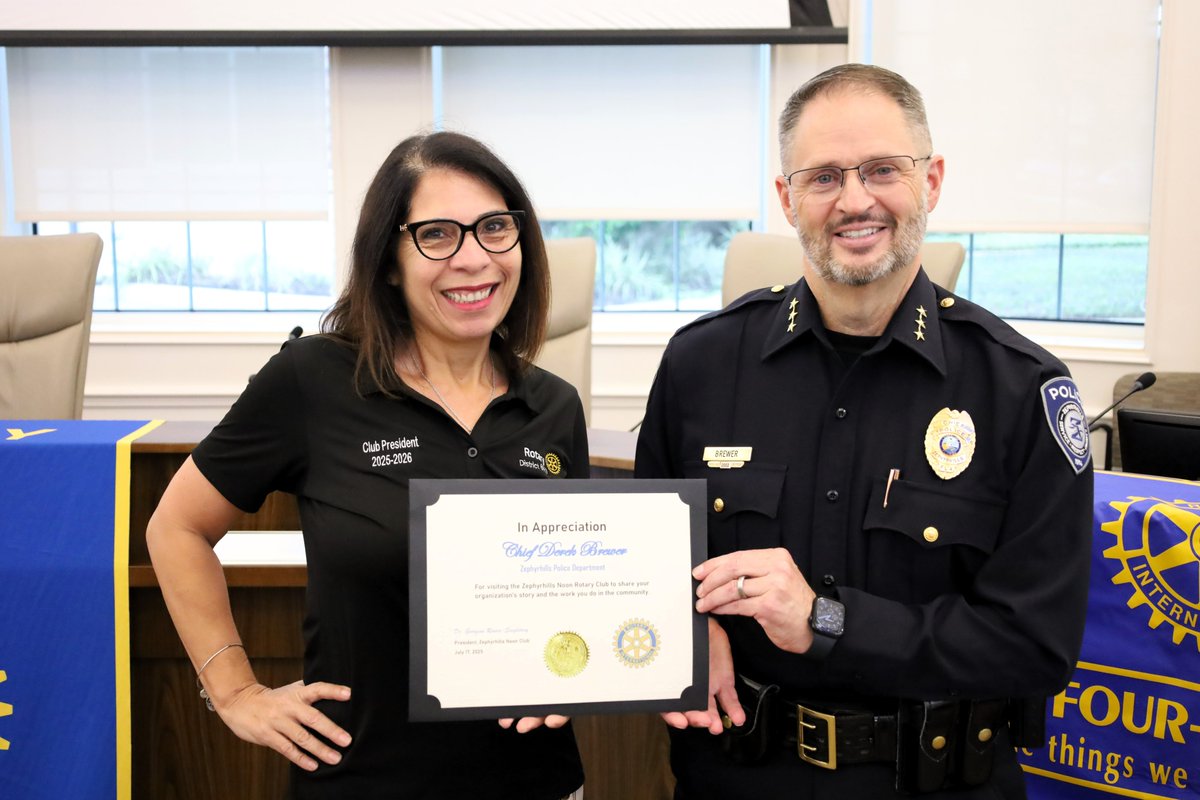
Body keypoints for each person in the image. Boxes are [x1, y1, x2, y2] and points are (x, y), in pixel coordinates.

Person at [635, 64, 1092, 798]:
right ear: (787, 199)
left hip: (937, 782)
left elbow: (1034, 646)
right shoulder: (702, 366)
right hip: (740, 773)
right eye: (822, 178)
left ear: (932, 181)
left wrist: (825, 621)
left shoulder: (1020, 390)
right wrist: (689, 633)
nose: (854, 201)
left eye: (883, 169)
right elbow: (646, 565)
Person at [146, 131, 587, 799]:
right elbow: (175, 529)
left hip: (536, 780)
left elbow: (574, 589)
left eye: (496, 228)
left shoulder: (554, 406)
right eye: (438, 235)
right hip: (364, 779)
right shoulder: (313, 380)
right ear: (387, 260)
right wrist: (233, 690)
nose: (474, 259)